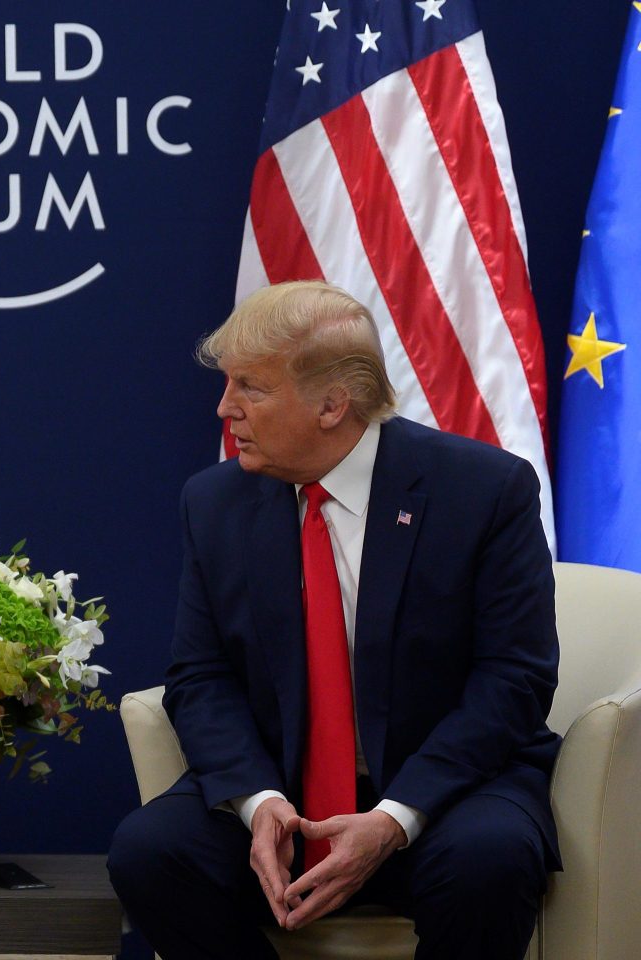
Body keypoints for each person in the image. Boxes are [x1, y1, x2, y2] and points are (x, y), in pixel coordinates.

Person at [108, 281, 560, 960]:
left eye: (250, 388)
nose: (225, 407)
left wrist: (393, 818)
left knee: (488, 861)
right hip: (283, 789)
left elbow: (515, 679)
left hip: (444, 790)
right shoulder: (214, 501)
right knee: (149, 853)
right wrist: (259, 802)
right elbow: (200, 677)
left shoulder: (484, 491)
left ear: (331, 404)